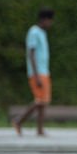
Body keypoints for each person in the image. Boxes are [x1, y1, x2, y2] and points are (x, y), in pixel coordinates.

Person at [13, 8, 54, 137]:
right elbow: (31, 53)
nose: (50, 24)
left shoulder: (42, 33)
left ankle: (40, 129)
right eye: (50, 21)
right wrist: (36, 75)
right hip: (37, 72)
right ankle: (19, 121)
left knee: (43, 102)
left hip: (44, 71)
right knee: (39, 101)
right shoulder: (34, 32)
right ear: (44, 19)